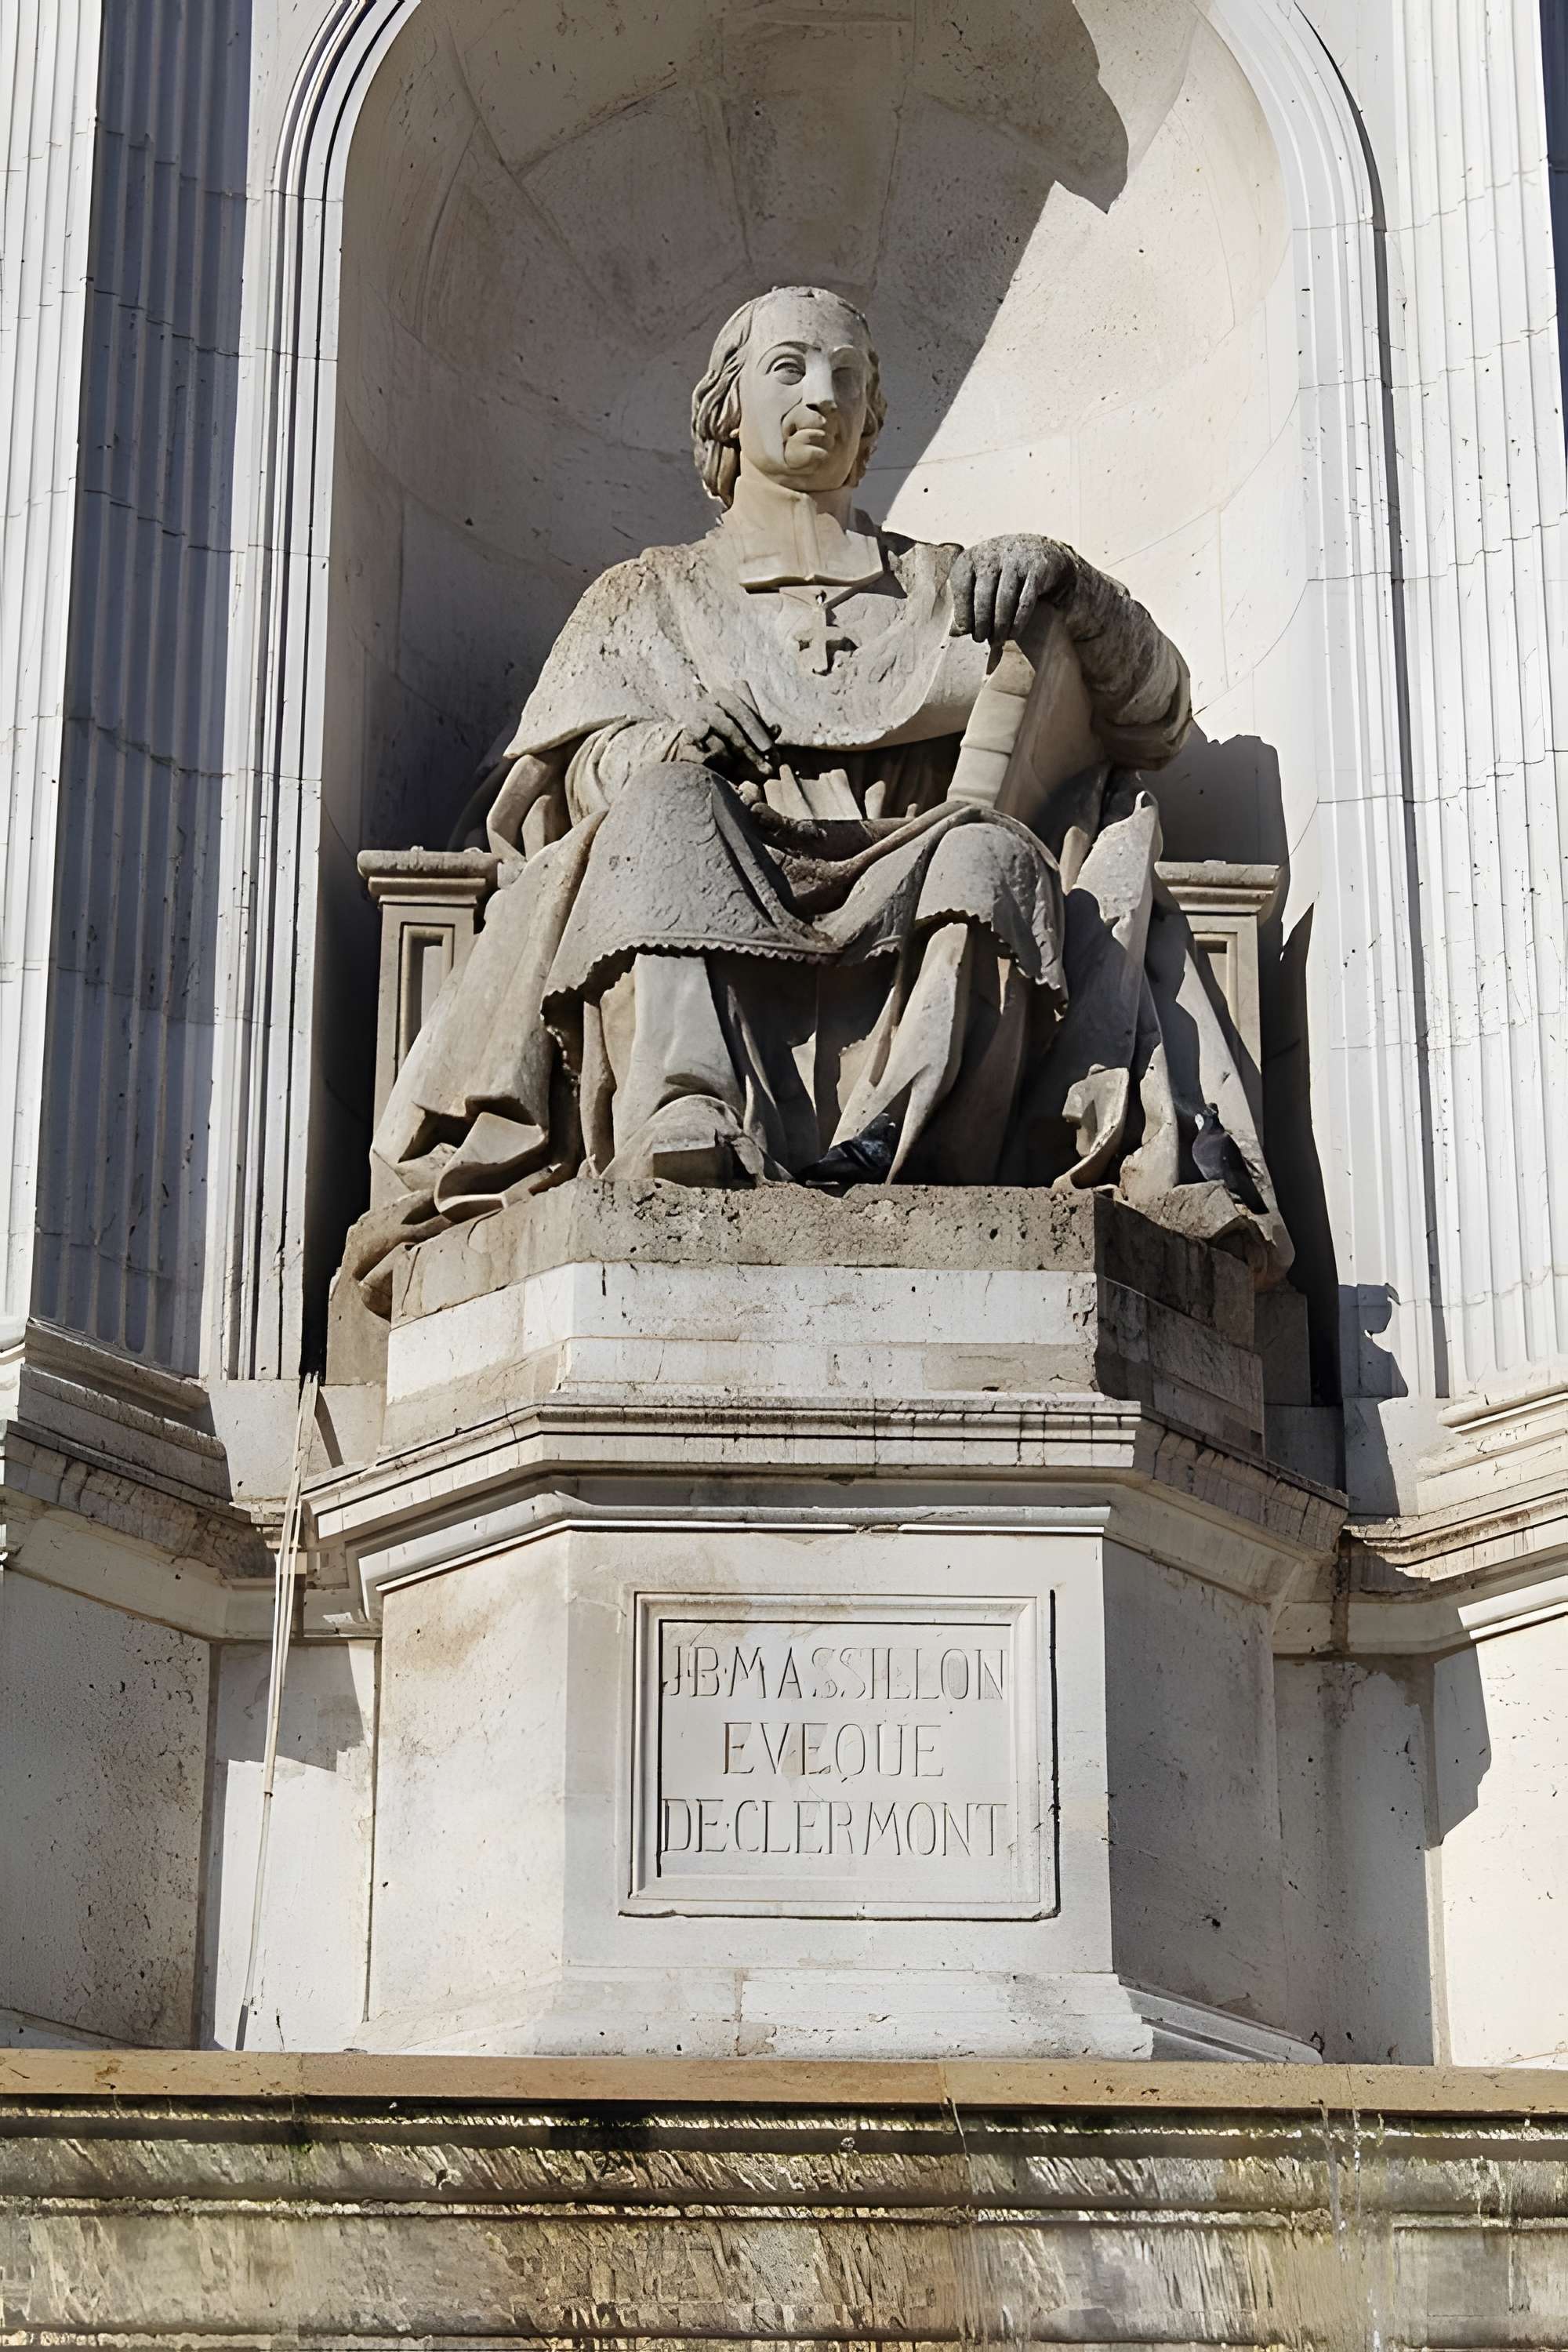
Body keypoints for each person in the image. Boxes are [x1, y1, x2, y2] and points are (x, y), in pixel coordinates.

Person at [347, 285, 1288, 1313]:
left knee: (994, 856)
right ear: (728, 407)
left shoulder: (948, 586)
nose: (824, 394)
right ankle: (685, 1108)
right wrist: (675, 740)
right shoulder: (648, 595)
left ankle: (913, 1143)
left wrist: (1069, 584)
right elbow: (553, 788)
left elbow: (1155, 713)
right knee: (665, 805)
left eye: (849, 374)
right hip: (717, 872)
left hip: (905, 882)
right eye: (789, 368)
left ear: (874, 415)